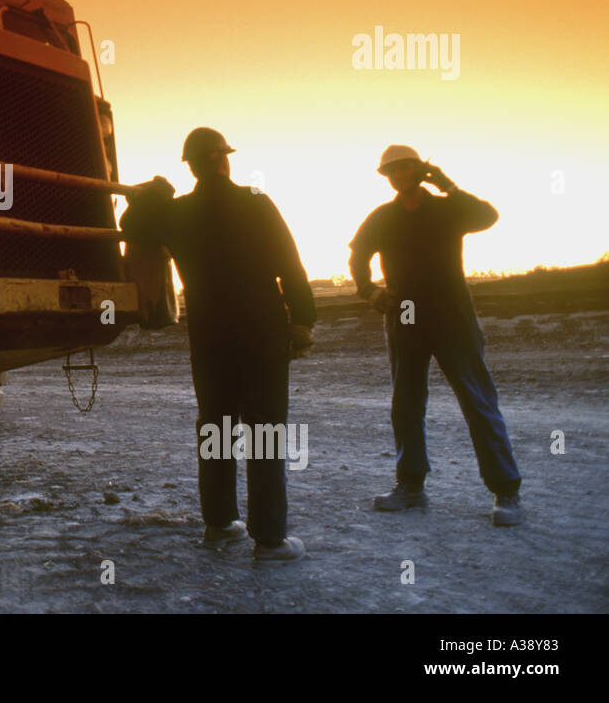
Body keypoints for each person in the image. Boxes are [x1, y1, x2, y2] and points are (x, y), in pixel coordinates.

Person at [120, 127, 315, 562]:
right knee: (265, 429)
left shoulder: (177, 213)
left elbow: (130, 223)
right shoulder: (255, 202)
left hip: (209, 332)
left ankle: (221, 523)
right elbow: (290, 263)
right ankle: (269, 539)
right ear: (224, 159)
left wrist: (154, 193)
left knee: (216, 426)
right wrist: (303, 319)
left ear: (190, 165)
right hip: (261, 326)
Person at [349, 145, 522, 526]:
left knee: (477, 400)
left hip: (452, 316)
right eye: (391, 171)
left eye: (405, 167)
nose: (397, 175)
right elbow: (357, 252)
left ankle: (506, 491)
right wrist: (370, 291)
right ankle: (411, 487)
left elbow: (488, 216)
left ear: (420, 170)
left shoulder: (447, 209)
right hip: (406, 315)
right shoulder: (383, 217)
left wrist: (448, 185)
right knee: (407, 403)